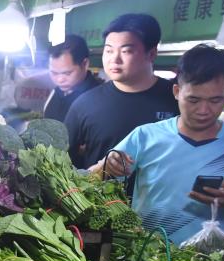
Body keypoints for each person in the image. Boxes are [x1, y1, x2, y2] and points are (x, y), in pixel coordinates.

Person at [89, 44, 224, 244]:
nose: (204, 110)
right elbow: (93, 178)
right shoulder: (145, 136)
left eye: (215, 101)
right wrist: (105, 167)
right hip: (144, 259)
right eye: (193, 100)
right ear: (177, 91)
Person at [63, 14, 178, 168]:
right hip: (98, 192)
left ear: (151, 54)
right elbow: (61, 158)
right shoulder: (85, 104)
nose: (114, 59)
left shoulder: (176, 99)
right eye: (109, 51)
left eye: (126, 51)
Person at [43, 34, 101, 121]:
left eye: (67, 73)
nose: (60, 80)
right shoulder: (56, 92)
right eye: (54, 73)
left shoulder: (98, 100)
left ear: (85, 64)